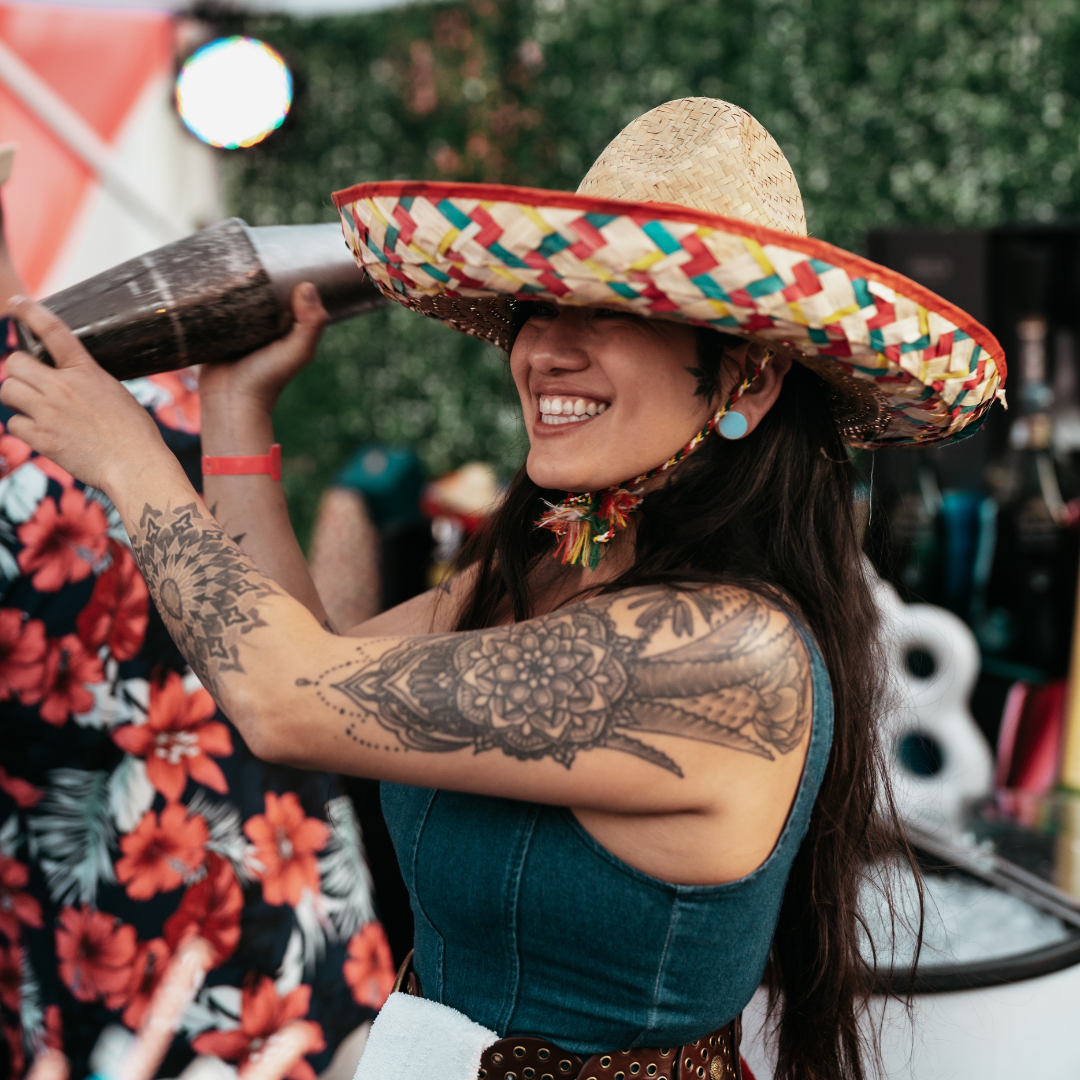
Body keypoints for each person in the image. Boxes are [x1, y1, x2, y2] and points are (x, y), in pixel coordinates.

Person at [0, 98, 1005, 1080]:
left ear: (746, 381)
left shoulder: (729, 657)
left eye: (608, 315)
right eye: (537, 309)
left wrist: (132, 463)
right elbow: (300, 651)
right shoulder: (536, 571)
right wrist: (233, 406)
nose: (544, 351)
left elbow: (281, 695)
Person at [0, 196, 394, 1080]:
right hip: (301, 899)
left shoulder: (150, 370)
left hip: (119, 957)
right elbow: (304, 631)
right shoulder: (166, 365)